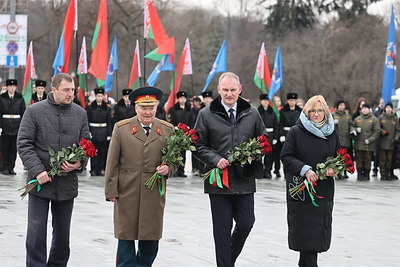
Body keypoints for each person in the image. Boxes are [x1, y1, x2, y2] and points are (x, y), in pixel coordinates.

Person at [194, 72, 267, 267]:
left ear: (240, 89)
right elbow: (198, 146)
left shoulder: (252, 113)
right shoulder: (206, 114)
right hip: (218, 182)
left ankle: (227, 260)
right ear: (219, 90)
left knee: (246, 224)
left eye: (233, 90)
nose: (229, 94)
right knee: (222, 230)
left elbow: (262, 141)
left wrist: (252, 155)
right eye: (225, 90)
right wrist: (216, 159)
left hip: (244, 179)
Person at [17, 73, 90, 266]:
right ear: (54, 90)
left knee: (63, 234)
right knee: (36, 231)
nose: (70, 93)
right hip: (40, 182)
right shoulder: (34, 111)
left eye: (73, 90)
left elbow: (86, 145)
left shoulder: (80, 113)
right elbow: (24, 143)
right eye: (66, 90)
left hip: (67, 183)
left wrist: (79, 163)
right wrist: (38, 171)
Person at [104, 86, 177, 267]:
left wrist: (168, 168)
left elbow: (176, 160)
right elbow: (112, 163)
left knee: (150, 237)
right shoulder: (121, 128)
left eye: (151, 107)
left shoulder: (167, 129)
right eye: (143, 107)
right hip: (127, 189)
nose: (147, 112)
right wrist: (110, 190)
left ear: (157, 107)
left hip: (153, 191)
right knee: (125, 235)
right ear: (136, 108)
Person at [281, 95, 339, 267]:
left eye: (319, 110)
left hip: (324, 190)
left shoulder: (332, 132)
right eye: (312, 110)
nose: (316, 114)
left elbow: (339, 156)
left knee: (315, 239)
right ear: (306, 112)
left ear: (325, 112)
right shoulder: (296, 132)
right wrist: (304, 169)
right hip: (303, 191)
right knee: (307, 238)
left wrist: (334, 168)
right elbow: (286, 156)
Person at [0, 79, 26, 175]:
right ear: (7, 87)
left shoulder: (20, 98)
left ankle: (11, 167)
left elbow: (23, 112)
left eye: (14, 86)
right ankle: (5, 167)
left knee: (13, 148)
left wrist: (23, 126)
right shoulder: (2, 97)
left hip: (16, 125)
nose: (12, 88)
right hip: (5, 125)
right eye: (10, 86)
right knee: (5, 148)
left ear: (16, 87)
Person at [351, 103, 380, 181]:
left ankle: (366, 174)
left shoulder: (374, 119)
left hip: (368, 145)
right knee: (359, 160)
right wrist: (355, 130)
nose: (364, 110)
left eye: (366, 108)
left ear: (369, 109)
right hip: (359, 144)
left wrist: (370, 139)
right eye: (363, 108)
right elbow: (352, 128)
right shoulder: (357, 119)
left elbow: (377, 131)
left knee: (367, 160)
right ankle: (359, 174)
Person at [87, 88, 112, 176]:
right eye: (98, 96)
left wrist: (109, 134)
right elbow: (87, 120)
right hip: (93, 131)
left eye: (101, 96)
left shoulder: (107, 108)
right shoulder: (90, 107)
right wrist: (88, 132)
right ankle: (93, 169)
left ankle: (101, 168)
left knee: (102, 152)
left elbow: (109, 121)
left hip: (103, 132)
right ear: (95, 96)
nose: (100, 98)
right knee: (93, 151)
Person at [278, 92, 302, 177]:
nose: (292, 102)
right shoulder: (283, 110)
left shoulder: (300, 110)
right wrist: (281, 134)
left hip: (297, 134)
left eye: (294, 100)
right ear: (288, 101)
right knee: (287, 154)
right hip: (286, 133)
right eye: (291, 100)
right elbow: (280, 123)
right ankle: (286, 172)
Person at [168, 91, 191, 177]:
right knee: (175, 152)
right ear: (177, 99)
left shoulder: (189, 109)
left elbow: (192, 120)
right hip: (176, 132)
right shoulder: (173, 109)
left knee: (183, 152)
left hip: (185, 133)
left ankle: (182, 170)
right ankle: (174, 170)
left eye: (184, 98)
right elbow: (170, 120)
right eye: (180, 98)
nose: (182, 100)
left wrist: (189, 129)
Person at [257, 93, 278, 179]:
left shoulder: (272, 111)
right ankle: (258, 171)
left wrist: (276, 137)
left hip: (270, 135)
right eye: (264, 100)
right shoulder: (257, 111)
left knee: (269, 155)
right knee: (258, 154)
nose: (265, 102)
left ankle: (267, 171)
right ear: (261, 101)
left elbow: (276, 125)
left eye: (267, 100)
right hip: (260, 135)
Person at [377, 102, 399, 180]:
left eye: (390, 108)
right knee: (382, 159)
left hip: (391, 142)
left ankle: (388, 173)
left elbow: (397, 130)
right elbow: (377, 128)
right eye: (387, 108)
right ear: (385, 109)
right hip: (382, 142)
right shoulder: (381, 117)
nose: (388, 109)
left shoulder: (395, 119)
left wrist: (396, 138)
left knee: (389, 159)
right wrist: (383, 132)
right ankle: (382, 174)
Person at [331, 99, 352, 179]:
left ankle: (345, 172)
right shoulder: (332, 114)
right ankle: (337, 173)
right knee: (337, 157)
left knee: (345, 157)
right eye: (340, 105)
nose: (342, 107)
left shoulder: (347, 116)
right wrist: (333, 123)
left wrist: (353, 130)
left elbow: (351, 124)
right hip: (336, 139)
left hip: (346, 139)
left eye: (343, 105)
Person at [189, 96, 204, 176]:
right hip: (193, 132)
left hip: (201, 133)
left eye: (196, 101)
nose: (194, 103)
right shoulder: (191, 111)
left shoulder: (202, 110)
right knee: (194, 151)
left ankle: (201, 169)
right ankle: (195, 168)